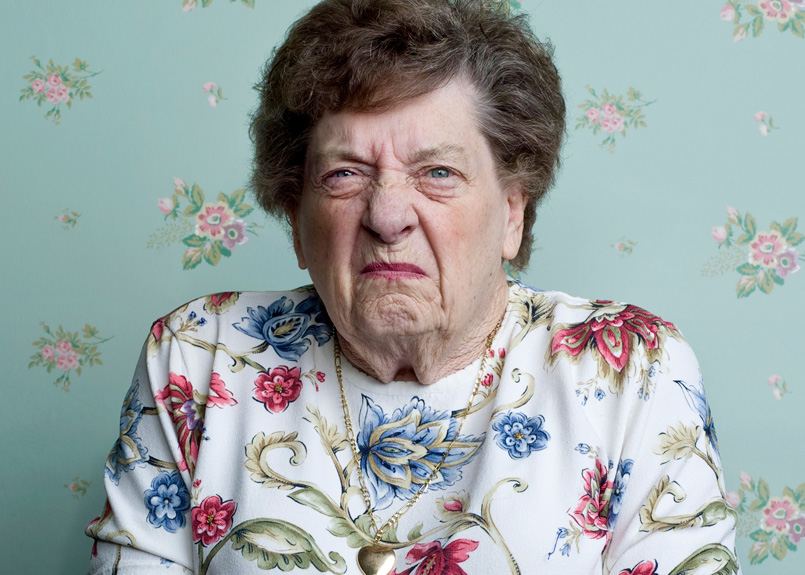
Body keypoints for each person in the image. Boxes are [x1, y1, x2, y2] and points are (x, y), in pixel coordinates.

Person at [86, 1, 740, 574]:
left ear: (511, 212)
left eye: (437, 172)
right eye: (344, 174)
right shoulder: (198, 359)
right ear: (296, 221)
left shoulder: (631, 370)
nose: (387, 214)